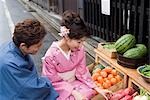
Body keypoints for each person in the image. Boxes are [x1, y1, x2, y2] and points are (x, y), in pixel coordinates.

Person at [42, 11, 111, 100]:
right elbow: (52, 82)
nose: (81, 45)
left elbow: (82, 72)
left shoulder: (79, 50)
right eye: (79, 42)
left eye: (83, 42)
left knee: (90, 92)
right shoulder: (50, 56)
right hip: (59, 88)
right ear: (67, 37)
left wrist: (98, 89)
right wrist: (73, 92)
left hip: (75, 83)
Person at [0, 19, 58, 100]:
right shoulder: (11, 63)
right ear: (23, 45)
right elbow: (28, 88)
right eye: (37, 46)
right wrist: (49, 82)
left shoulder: (11, 47)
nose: (39, 48)